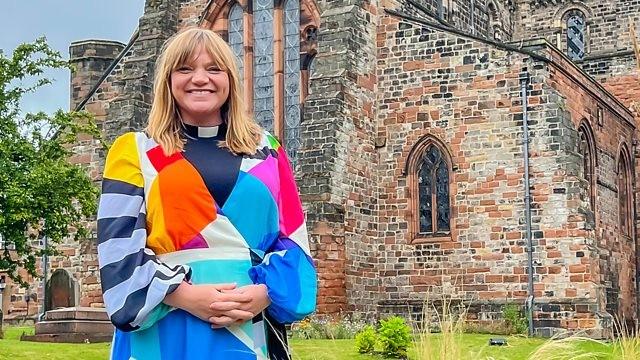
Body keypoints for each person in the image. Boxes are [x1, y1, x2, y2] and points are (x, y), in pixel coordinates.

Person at [97, 27, 317, 360]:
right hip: (164, 328)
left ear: (230, 79)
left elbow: (294, 242)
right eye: (185, 69)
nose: (200, 78)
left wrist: (266, 293)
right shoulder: (134, 151)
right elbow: (118, 252)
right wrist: (184, 296)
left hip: (251, 326)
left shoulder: (268, 151)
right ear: (168, 81)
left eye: (213, 69)